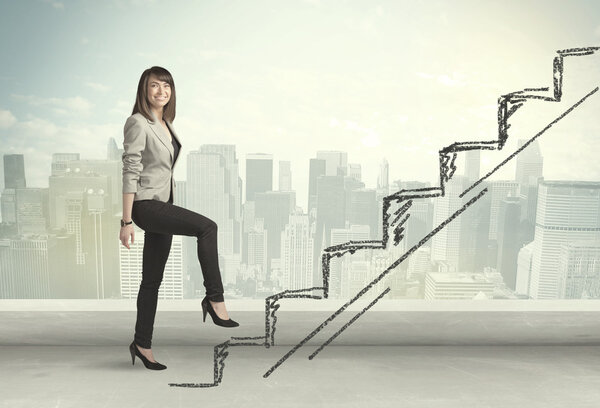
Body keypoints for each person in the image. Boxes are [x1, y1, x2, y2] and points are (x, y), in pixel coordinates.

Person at [119, 66, 239, 371]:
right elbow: (131, 170)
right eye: (155, 86)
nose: (161, 91)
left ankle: (141, 344)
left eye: (167, 86)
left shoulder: (166, 124)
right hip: (146, 206)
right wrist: (126, 220)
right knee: (207, 227)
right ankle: (214, 300)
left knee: (151, 282)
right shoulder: (137, 122)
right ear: (143, 90)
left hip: (163, 204)